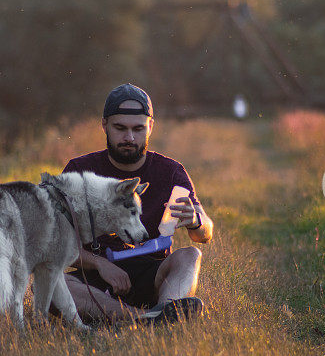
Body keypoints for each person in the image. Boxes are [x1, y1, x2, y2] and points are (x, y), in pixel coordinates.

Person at [62, 83, 214, 324]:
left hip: (154, 275)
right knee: (53, 287)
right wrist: (100, 264)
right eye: (120, 128)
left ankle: (163, 308)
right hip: (97, 282)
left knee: (191, 255)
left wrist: (197, 221)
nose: (129, 138)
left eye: (138, 129)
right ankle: (150, 319)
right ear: (104, 125)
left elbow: (204, 234)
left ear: (150, 126)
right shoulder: (78, 172)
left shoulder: (171, 171)